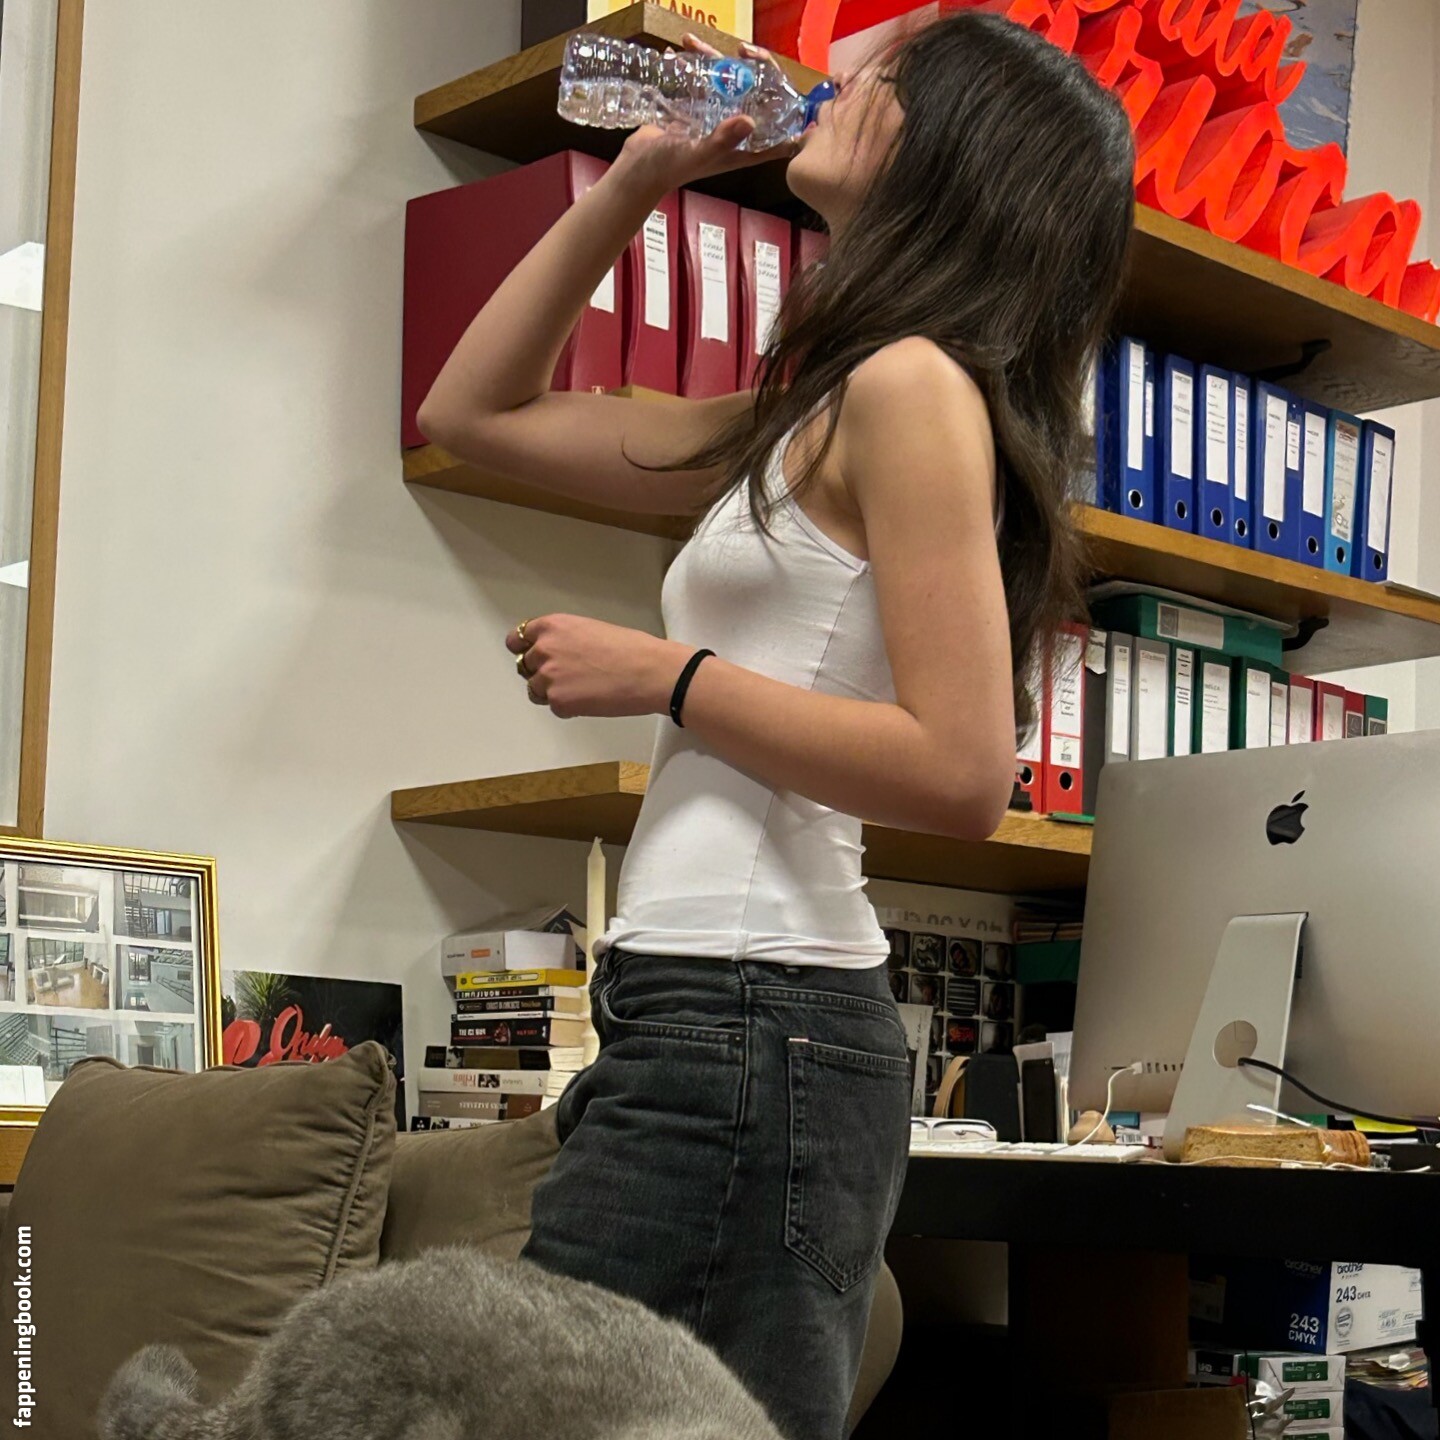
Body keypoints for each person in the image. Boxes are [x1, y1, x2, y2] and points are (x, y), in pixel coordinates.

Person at [416, 12, 1134, 1437]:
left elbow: (963, 773)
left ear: (947, 149)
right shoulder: (809, 409)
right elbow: (471, 411)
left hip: (759, 1019)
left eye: (876, 80)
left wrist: (670, 677)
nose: (832, 85)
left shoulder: (913, 386)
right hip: (706, 1011)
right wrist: (633, 183)